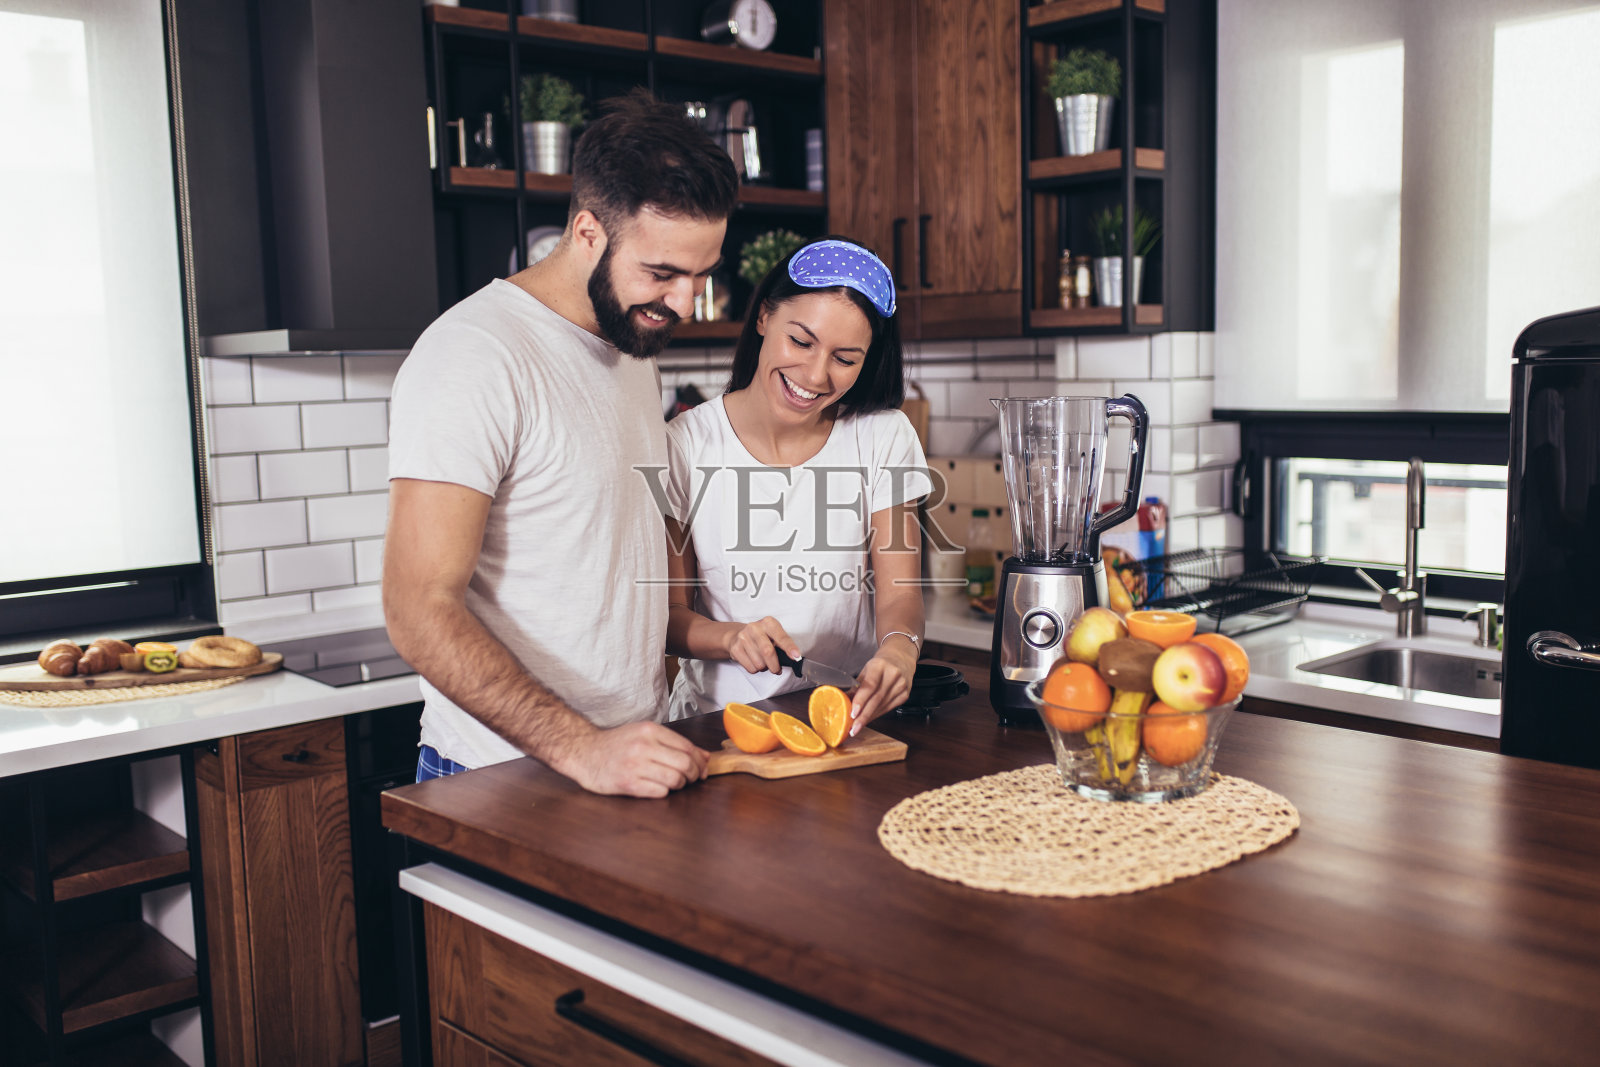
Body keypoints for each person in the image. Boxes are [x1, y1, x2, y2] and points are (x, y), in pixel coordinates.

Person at [383, 90, 738, 797]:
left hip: (625, 763)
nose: (684, 303)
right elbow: (417, 609)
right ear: (585, 232)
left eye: (702, 275)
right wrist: (584, 750)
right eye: (663, 272)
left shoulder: (633, 344)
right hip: (501, 779)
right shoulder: (475, 353)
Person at [662, 238, 932, 732]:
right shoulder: (685, 444)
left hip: (844, 720)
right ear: (764, 317)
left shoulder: (883, 436)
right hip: (721, 725)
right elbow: (670, 618)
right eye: (802, 341)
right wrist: (730, 638)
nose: (815, 375)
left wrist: (900, 648)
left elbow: (901, 596)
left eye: (845, 359)